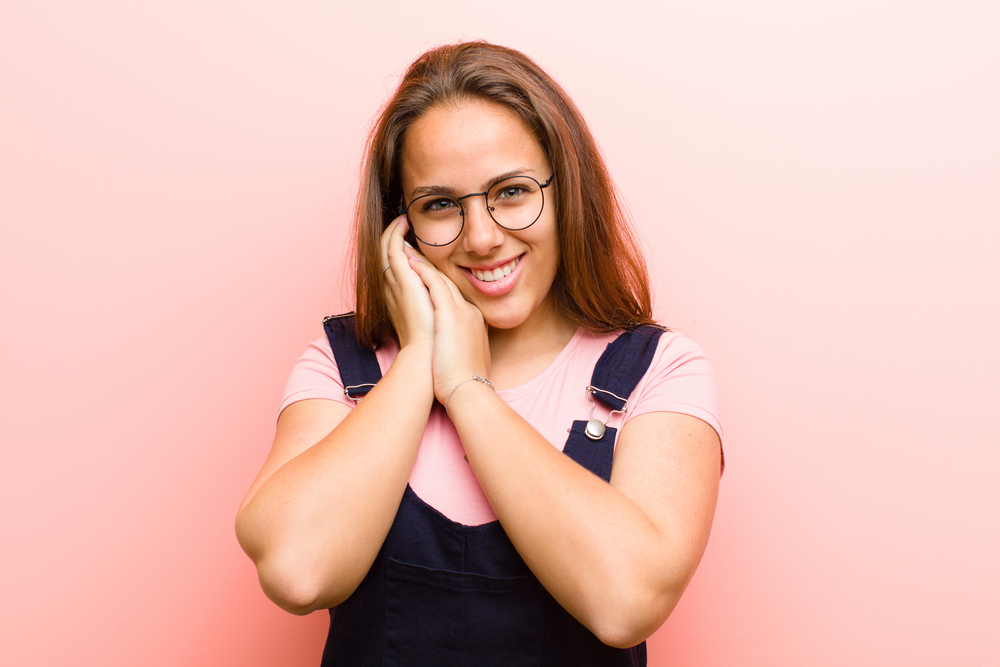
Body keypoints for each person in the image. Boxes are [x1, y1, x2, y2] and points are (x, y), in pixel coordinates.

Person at [236, 41, 723, 666]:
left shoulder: (663, 372)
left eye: (513, 192)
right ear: (401, 225)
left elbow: (625, 603)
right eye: (440, 205)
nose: (484, 237)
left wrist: (467, 387)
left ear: (566, 188)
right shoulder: (342, 366)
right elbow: (297, 572)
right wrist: (417, 363)